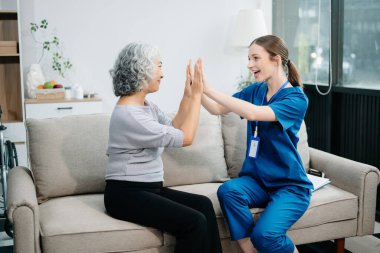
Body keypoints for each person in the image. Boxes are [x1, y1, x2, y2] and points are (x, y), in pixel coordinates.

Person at [104, 43, 222, 253]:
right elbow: (186, 138)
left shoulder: (146, 106)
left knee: (204, 205)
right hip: (125, 195)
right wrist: (197, 96)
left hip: (149, 188)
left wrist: (188, 94)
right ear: (142, 69)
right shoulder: (130, 115)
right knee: (193, 222)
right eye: (159, 66)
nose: (163, 74)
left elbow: (173, 128)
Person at [200, 35, 314, 253]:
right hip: (258, 181)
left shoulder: (296, 99)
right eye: (248, 58)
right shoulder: (256, 90)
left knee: (266, 236)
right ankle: (250, 250)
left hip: (289, 186)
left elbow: (253, 113)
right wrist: (197, 91)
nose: (249, 64)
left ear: (276, 60)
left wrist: (209, 89)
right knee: (229, 191)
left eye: (255, 58)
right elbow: (216, 109)